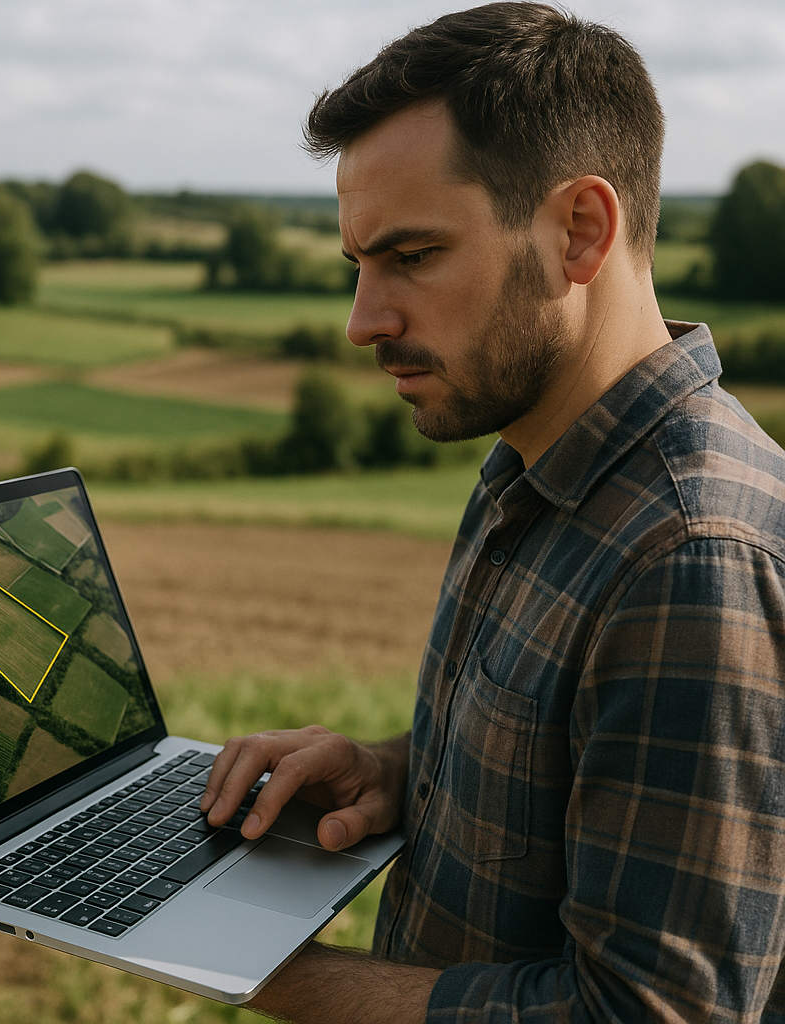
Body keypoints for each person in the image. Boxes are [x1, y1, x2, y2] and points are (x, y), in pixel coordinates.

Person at [198, 3, 785, 1022]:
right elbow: (577, 767)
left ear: (580, 231)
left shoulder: (689, 557)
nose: (362, 322)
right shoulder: (534, 462)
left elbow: (644, 1014)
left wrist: (253, 964)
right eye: (358, 265)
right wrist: (392, 769)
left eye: (411, 256)